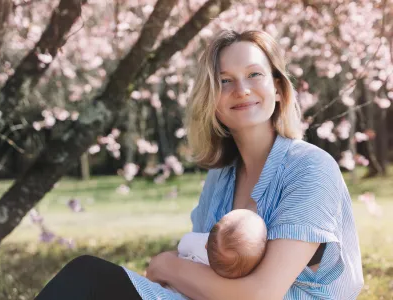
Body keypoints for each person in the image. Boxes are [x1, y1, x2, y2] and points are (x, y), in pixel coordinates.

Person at [35, 29, 364, 300]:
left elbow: (261, 294)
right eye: (224, 81)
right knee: (88, 278)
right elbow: (201, 265)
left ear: (277, 88)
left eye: (254, 75)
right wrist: (172, 273)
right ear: (213, 100)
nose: (242, 90)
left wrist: (166, 265)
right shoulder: (222, 177)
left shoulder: (310, 168)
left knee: (89, 277)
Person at [166, 209, 267, 298]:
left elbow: (182, 245)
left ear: (206, 245)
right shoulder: (238, 278)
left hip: (175, 288)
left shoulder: (201, 245)